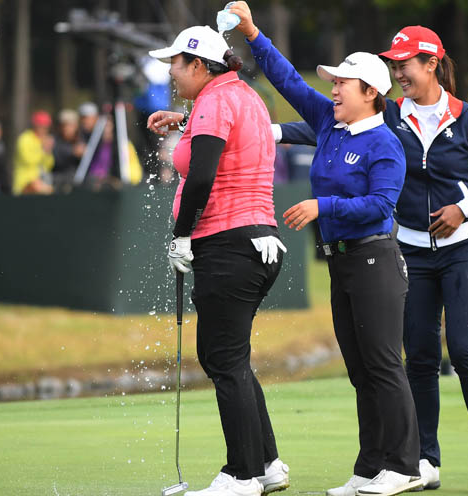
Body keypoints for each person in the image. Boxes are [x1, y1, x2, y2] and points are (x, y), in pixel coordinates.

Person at [276, 24, 468, 495]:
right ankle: (425, 459)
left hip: (467, 247)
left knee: (466, 350)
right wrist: (265, 132)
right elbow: (322, 127)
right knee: (419, 358)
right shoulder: (390, 115)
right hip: (409, 248)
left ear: (432, 64)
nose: (398, 73)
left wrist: (465, 208)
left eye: (405, 64)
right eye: (393, 66)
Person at [231, 3, 422, 496]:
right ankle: (370, 466)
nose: (333, 89)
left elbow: (381, 205)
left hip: (376, 260)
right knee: (360, 370)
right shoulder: (329, 123)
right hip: (342, 262)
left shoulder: (386, 144)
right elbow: (288, 82)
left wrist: (323, 206)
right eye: (333, 82)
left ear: (371, 93)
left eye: (342, 83)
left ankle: (404, 465)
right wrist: (253, 33)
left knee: (383, 365)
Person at [146, 25, 290, 496]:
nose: (171, 72)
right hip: (255, 242)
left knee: (223, 359)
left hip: (228, 244)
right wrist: (186, 123)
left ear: (198, 65)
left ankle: (242, 475)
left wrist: (181, 236)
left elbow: (203, 174)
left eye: (175, 63)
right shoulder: (240, 95)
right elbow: (226, 142)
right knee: (230, 358)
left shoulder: (214, 101)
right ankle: (265, 464)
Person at [13, 110, 54, 195]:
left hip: (42, 181)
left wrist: (48, 152)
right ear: (35, 126)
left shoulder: (44, 140)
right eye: (41, 126)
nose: (44, 130)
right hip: (24, 183)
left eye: (46, 127)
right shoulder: (25, 139)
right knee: (39, 187)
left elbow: (49, 165)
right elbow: (28, 160)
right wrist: (43, 150)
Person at [52, 109, 85, 191]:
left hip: (79, 182)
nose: (66, 128)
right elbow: (56, 160)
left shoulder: (82, 139)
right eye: (64, 125)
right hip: (58, 180)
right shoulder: (54, 141)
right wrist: (72, 152)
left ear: (76, 126)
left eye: (70, 125)